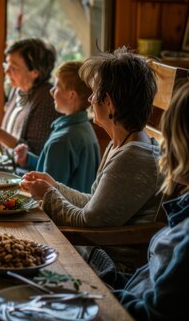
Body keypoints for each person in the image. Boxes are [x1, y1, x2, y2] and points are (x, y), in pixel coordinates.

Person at [20, 47, 162, 267]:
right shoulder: (122, 143)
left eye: (94, 92)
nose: (91, 99)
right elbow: (95, 207)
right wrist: (55, 186)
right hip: (96, 250)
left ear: (109, 104)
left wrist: (48, 195)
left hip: (109, 266)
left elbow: (88, 222)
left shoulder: (133, 158)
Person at [112, 83, 189, 320]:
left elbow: (150, 313)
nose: (163, 145)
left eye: (170, 135)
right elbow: (145, 281)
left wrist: (88, 292)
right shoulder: (184, 207)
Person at [14, 61, 101, 193]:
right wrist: (28, 159)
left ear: (71, 95)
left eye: (57, 86)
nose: (51, 91)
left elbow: (47, 191)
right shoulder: (85, 128)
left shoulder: (62, 140)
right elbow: (57, 167)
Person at [0, 38, 61, 154]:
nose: (6, 71)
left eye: (13, 67)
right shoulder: (17, 90)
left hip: (25, 172)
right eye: (6, 64)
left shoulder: (47, 100)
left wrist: (0, 135)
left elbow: (35, 155)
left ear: (35, 72)